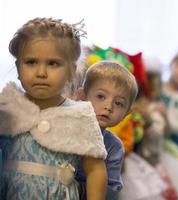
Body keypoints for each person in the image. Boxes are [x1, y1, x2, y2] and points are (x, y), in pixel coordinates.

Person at [0, 18, 107, 200]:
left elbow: (95, 170)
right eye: (31, 62)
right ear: (18, 67)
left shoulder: (79, 115)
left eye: (53, 64)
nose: (41, 72)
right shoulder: (7, 108)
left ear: (71, 71)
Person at [74, 61, 138, 200]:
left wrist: (80, 190)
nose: (108, 107)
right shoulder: (65, 126)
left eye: (119, 103)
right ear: (81, 96)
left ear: (126, 113)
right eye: (101, 97)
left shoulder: (114, 147)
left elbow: (112, 187)